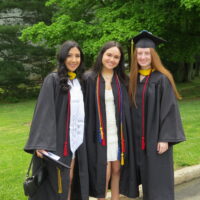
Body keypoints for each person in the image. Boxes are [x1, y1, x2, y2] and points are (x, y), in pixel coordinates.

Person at [24, 41, 89, 200]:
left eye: (77, 56)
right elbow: (44, 111)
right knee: (56, 184)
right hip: (57, 143)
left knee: (69, 180)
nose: (74, 60)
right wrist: (40, 143)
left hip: (75, 142)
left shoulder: (77, 82)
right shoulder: (52, 79)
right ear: (62, 57)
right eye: (69, 55)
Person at [129, 30, 186, 200]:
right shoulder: (133, 79)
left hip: (156, 139)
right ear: (135, 55)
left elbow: (169, 109)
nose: (143, 57)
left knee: (157, 182)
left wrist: (165, 138)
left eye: (147, 53)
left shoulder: (161, 78)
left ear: (153, 55)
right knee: (143, 178)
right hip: (137, 139)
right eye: (140, 53)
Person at [82, 41, 139, 200]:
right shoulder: (89, 78)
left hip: (117, 132)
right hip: (98, 133)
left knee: (117, 170)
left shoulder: (123, 80)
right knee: (103, 172)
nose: (112, 59)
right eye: (109, 55)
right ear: (102, 55)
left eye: (116, 57)